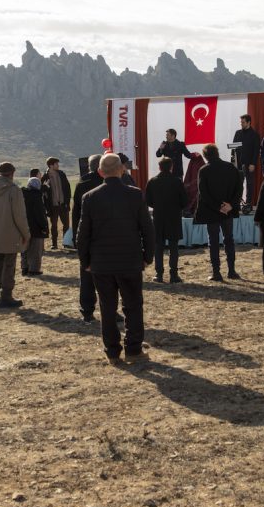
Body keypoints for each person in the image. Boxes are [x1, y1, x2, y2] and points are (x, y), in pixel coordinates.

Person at [76, 153, 155, 364]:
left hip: (101, 264)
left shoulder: (90, 197)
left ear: (100, 172)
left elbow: (82, 235)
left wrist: (86, 262)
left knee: (107, 307)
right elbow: (147, 229)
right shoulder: (135, 195)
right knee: (133, 305)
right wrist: (148, 257)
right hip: (130, 261)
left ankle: (112, 352)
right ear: (122, 170)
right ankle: (133, 349)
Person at [0, 162, 29, 308]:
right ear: (12, 173)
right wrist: (25, 234)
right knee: (9, 267)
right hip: (10, 235)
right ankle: (6, 297)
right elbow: (19, 216)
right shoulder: (13, 190)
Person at [195, 143, 243, 281]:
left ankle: (216, 273)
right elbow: (239, 189)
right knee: (229, 240)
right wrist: (230, 205)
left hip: (211, 211)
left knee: (214, 242)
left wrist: (217, 207)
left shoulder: (204, 170)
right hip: (228, 210)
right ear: (217, 153)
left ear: (205, 156)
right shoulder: (231, 167)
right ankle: (232, 271)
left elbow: (203, 193)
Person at [144, 156, 187, 283]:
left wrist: (157, 206)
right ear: (171, 167)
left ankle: (159, 274)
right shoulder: (177, 181)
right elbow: (184, 201)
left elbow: (148, 201)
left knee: (158, 246)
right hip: (174, 217)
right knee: (174, 247)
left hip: (158, 217)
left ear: (159, 167)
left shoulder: (152, 181)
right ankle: (174, 274)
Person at [72, 154, 103, 321]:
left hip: (85, 236)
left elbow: (75, 213)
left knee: (86, 275)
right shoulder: (103, 184)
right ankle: (109, 309)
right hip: (102, 237)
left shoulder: (80, 184)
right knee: (107, 276)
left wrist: (76, 236)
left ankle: (87, 311)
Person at [41, 157, 70, 250]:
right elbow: (42, 191)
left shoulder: (62, 174)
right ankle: (54, 244)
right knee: (53, 226)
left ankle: (66, 243)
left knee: (66, 225)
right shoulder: (45, 177)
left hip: (63, 204)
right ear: (51, 165)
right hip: (52, 206)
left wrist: (67, 202)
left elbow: (67, 188)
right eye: (56, 164)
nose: (58, 165)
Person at [22, 176, 49, 275]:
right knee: (36, 250)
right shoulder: (37, 196)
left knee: (24, 248)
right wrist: (44, 226)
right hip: (36, 228)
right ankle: (34, 270)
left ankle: (24, 268)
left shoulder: (22, 195)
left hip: (23, 226)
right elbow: (40, 214)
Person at [233, 114, 259, 207]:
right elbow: (234, 148)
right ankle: (238, 203)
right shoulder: (237, 133)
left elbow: (256, 151)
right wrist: (234, 162)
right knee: (238, 184)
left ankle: (248, 203)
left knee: (249, 183)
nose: (241, 124)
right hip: (238, 164)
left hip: (249, 164)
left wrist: (253, 163)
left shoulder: (255, 135)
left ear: (248, 122)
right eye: (241, 122)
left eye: (243, 122)